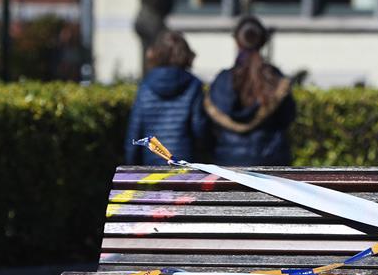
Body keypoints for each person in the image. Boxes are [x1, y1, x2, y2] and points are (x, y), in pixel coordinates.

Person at [204, 15, 296, 166]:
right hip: (270, 159)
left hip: (228, 161)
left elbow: (207, 126)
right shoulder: (275, 78)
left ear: (237, 42)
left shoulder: (222, 80)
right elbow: (287, 118)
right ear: (263, 42)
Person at [124, 30, 208, 165]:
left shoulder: (145, 85)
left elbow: (135, 130)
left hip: (151, 164)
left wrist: (131, 164)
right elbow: (200, 130)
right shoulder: (194, 85)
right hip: (186, 163)